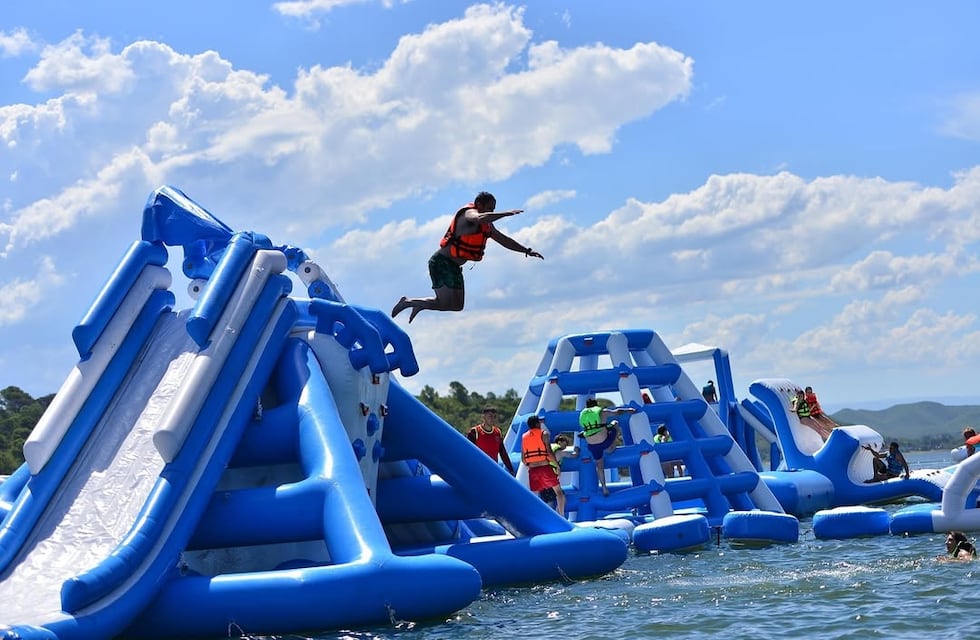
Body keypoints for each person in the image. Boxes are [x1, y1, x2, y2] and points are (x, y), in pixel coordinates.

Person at [392, 192, 544, 322]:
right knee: (444, 303)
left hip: (454, 266)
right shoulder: (469, 214)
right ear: (479, 204)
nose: (492, 211)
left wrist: (527, 250)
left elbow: (504, 240)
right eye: (489, 208)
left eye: (493, 209)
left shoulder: (487, 227)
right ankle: (408, 302)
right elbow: (480, 218)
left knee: (457, 306)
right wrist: (505, 214)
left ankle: (418, 304)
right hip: (441, 263)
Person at [579, 398, 636, 496]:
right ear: (596, 405)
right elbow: (617, 412)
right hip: (604, 442)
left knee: (599, 466)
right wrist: (629, 410)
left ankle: (604, 488)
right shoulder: (603, 412)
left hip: (592, 445)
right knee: (615, 424)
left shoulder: (583, 415)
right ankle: (612, 446)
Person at [522, 415, 564, 515]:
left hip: (533, 470)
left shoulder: (524, 436)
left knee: (536, 495)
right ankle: (562, 516)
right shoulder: (544, 434)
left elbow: (523, 459)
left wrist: (531, 464)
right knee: (559, 492)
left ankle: (535, 516)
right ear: (537, 424)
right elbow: (549, 452)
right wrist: (557, 465)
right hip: (545, 467)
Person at [466, 406, 515, 475]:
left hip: (493, 470)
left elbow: (503, 453)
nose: (492, 419)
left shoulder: (497, 432)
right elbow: (468, 452)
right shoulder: (474, 432)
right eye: (490, 416)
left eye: (494, 417)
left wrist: (511, 469)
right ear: (483, 417)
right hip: (478, 469)